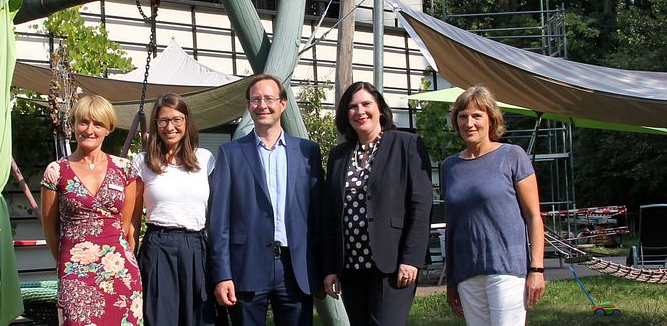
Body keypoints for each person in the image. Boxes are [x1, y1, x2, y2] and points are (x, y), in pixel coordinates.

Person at [208, 74, 324, 326]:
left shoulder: (307, 152)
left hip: (295, 267)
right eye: (255, 99)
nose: (262, 105)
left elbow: (318, 217)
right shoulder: (231, 153)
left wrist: (323, 268)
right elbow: (219, 221)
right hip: (245, 266)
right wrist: (222, 274)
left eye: (269, 99)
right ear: (249, 106)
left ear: (283, 104)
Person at [321, 81, 434, 326]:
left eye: (366, 104)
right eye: (352, 107)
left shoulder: (406, 144)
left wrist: (411, 258)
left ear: (380, 109)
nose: (360, 111)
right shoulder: (338, 156)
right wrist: (330, 268)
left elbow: (421, 205)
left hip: (391, 264)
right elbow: (330, 215)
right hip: (351, 266)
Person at [442, 85, 545, 326]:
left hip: (506, 268)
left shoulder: (512, 156)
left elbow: (533, 216)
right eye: (463, 116)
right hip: (467, 273)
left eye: (477, 116)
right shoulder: (449, 167)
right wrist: (452, 280)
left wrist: (536, 269)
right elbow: (452, 226)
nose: (469, 123)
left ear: (491, 120)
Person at [41, 95, 143, 326]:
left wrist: (122, 258)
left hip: (120, 273)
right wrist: (69, 264)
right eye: (83, 122)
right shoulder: (56, 171)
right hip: (74, 274)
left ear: (108, 129)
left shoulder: (124, 169)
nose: (89, 130)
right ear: (74, 124)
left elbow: (126, 228)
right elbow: (49, 231)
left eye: (98, 124)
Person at [131, 93, 216, 326]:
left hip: (197, 247)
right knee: (159, 318)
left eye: (177, 119)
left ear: (187, 121)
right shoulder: (142, 161)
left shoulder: (206, 159)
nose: (170, 127)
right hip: (158, 245)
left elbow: (217, 216)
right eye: (163, 120)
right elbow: (133, 218)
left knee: (199, 318)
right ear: (156, 124)